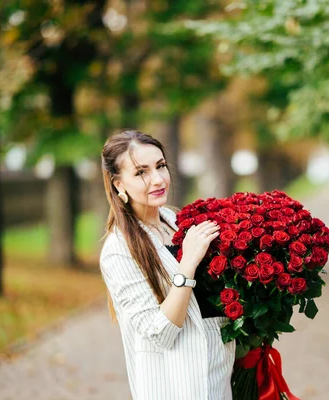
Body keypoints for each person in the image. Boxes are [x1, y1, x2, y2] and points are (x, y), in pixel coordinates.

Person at [99, 130, 235, 400]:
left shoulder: (176, 222)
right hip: (175, 385)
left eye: (160, 166)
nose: (158, 179)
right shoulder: (119, 250)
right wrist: (188, 263)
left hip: (218, 377)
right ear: (118, 184)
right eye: (141, 172)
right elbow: (159, 332)